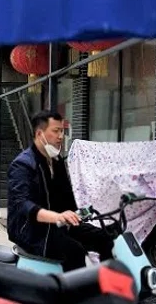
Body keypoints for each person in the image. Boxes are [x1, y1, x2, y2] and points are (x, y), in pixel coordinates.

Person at [6, 110, 114, 271]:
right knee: (74, 252)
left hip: (58, 225)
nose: (60, 136)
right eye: (55, 131)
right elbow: (22, 204)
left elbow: (67, 197)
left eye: (62, 131)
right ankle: (74, 294)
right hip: (32, 230)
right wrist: (57, 216)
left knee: (104, 238)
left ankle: (110, 287)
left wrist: (80, 212)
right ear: (39, 133)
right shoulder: (23, 164)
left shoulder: (57, 162)